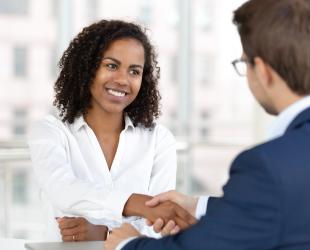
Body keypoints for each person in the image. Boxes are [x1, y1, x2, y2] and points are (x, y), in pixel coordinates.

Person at [105, 0, 310, 249]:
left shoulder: (269, 166)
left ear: (264, 72)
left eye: (244, 63)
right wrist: (197, 206)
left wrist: (125, 244)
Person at [28, 20, 195, 242]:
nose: (122, 80)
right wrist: (139, 205)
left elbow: (160, 224)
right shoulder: (50, 131)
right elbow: (62, 190)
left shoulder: (158, 140)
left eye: (134, 71)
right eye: (111, 66)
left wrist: (106, 233)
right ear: (87, 68)